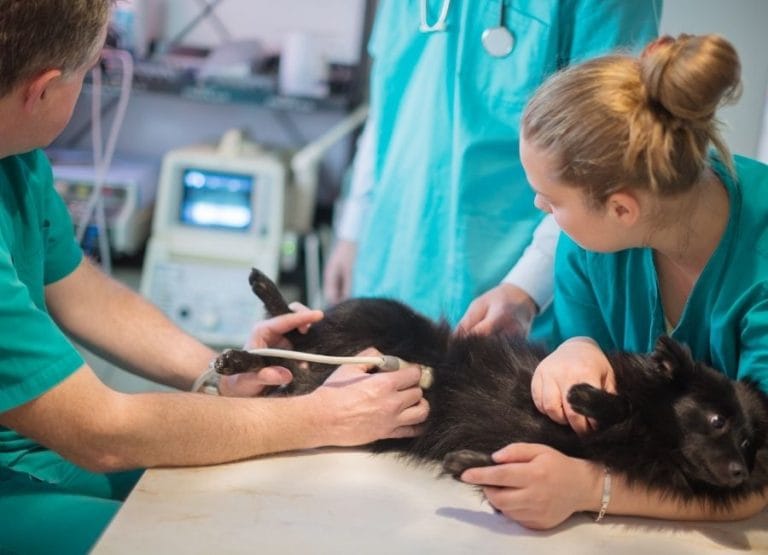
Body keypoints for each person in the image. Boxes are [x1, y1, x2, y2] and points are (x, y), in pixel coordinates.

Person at [0, 2, 427, 553]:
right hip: (53, 450)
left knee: (240, 497)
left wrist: (218, 373)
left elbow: (80, 291)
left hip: (25, 444)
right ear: (43, 89)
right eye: (87, 78)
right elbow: (102, 432)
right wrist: (317, 417)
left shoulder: (17, 155)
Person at [458, 33, 768, 528]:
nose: (542, 211)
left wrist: (589, 489)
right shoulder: (592, 244)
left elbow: (757, 480)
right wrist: (576, 346)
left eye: (552, 200)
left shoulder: (760, 269)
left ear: (623, 208)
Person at [324, 0, 662, 337]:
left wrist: (526, 288)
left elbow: (607, 153)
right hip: (391, 258)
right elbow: (389, 103)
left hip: (521, 298)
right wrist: (353, 230)